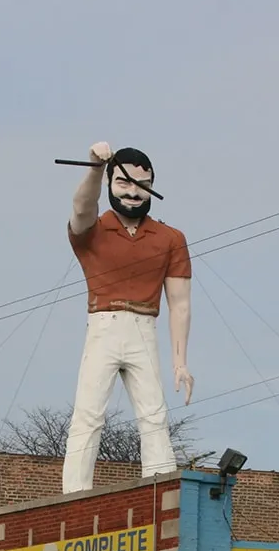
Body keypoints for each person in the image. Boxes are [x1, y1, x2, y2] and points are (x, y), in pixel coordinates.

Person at [61, 141, 194, 495]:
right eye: (123, 183)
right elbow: (80, 207)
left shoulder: (170, 238)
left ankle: (160, 492)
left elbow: (179, 303)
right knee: (88, 415)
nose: (133, 192)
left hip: (144, 326)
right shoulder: (94, 229)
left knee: (154, 415)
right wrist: (93, 166)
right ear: (109, 184)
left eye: (142, 184)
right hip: (103, 324)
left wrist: (180, 361)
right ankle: (74, 496)